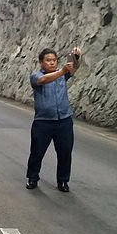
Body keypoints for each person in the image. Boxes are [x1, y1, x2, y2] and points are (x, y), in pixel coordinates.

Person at [26, 47, 82, 192]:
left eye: (54, 60)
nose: (52, 63)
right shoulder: (36, 76)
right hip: (43, 121)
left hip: (63, 120)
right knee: (37, 152)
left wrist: (76, 57)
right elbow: (43, 80)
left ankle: (63, 180)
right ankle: (32, 178)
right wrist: (62, 71)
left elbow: (74, 67)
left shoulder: (63, 75)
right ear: (41, 63)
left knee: (65, 152)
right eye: (48, 60)